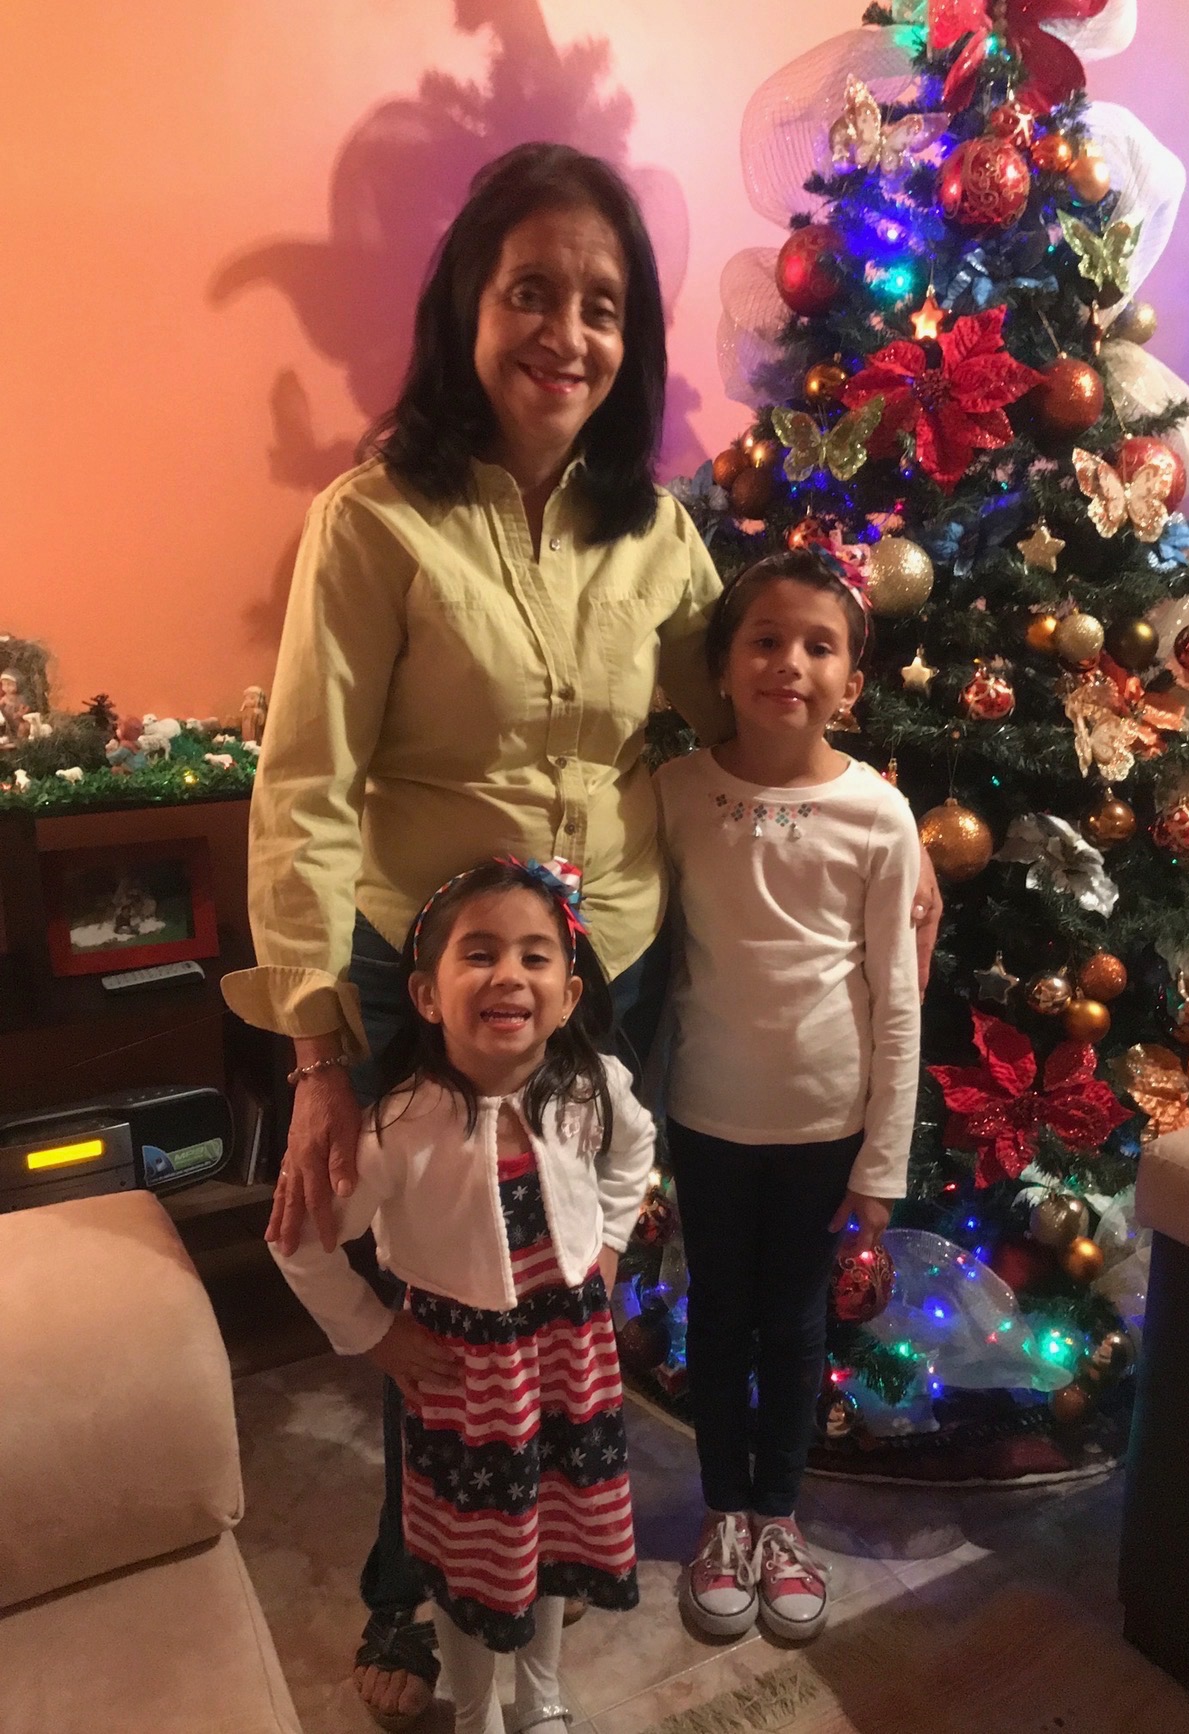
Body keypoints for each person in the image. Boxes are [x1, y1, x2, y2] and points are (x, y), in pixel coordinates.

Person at [222, 140, 942, 1724]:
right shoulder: (376, 518)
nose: (567, 331)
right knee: (444, 1298)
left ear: (634, 337)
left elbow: (754, 710)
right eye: (532, 291)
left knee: (563, 1287)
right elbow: (306, 783)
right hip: (433, 975)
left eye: (603, 304)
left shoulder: (662, 536)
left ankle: (543, 1565)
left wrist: (885, 825)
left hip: (610, 973)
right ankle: (414, 1589)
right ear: (467, 309)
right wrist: (317, 1048)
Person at [269, 859, 655, 1734]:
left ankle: (541, 1695)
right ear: (427, 995)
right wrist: (372, 1331)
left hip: (568, 1361)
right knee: (468, 1558)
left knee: (552, 1531)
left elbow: (636, 1149)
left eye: (535, 957)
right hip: (465, 1381)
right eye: (479, 954)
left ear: (567, 994)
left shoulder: (591, 1085)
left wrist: (608, 1243)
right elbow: (299, 1241)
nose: (509, 975)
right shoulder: (400, 1126)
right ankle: (475, 1707)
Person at [653, 550, 923, 1644]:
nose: (790, 664)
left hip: (825, 1125)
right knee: (719, 1314)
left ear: (852, 678)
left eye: (820, 646)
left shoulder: (880, 815)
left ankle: (779, 1516)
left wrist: (882, 1162)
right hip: (707, 1115)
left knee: (797, 1322)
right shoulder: (674, 792)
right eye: (765, 640)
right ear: (723, 664)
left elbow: (897, 998)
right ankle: (724, 1513)